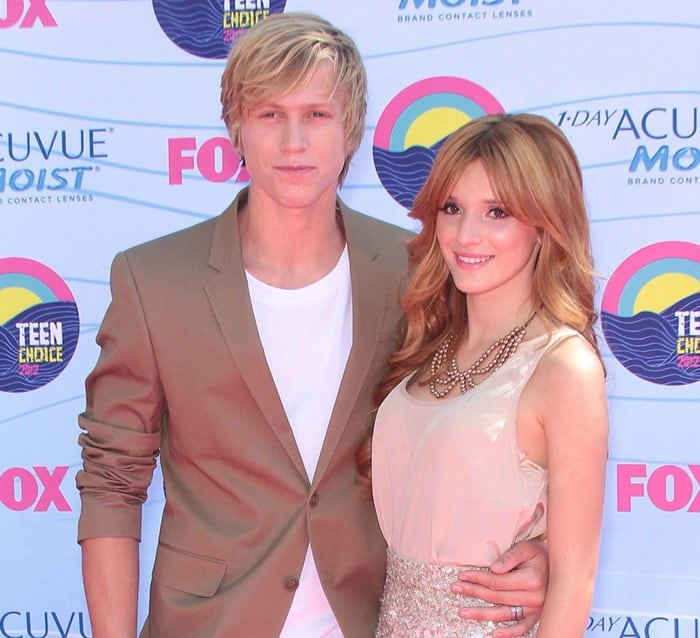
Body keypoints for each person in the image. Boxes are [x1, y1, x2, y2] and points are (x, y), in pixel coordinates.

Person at [76, 13, 549, 638]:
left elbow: (481, 430)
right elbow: (112, 480)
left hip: (374, 616)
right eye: (270, 114)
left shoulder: (416, 273)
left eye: (317, 115)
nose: (293, 141)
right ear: (235, 129)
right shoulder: (153, 280)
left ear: (350, 131)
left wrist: (538, 548)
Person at [362, 113, 609, 637]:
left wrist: (542, 556)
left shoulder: (563, 367)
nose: (465, 235)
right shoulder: (429, 345)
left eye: (497, 212)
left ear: (543, 226)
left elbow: (575, 579)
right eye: (452, 208)